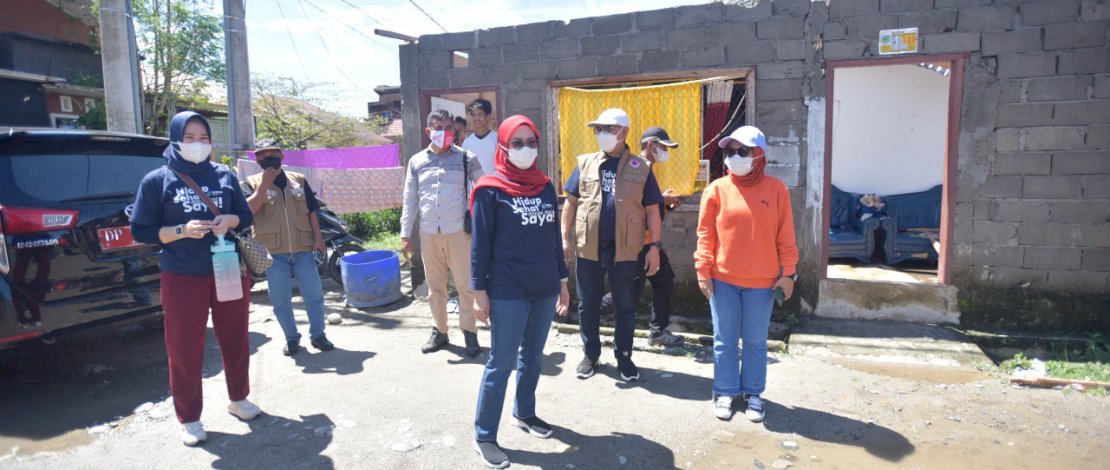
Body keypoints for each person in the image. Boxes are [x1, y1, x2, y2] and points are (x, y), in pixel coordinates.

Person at [130, 111, 260, 446]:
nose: (198, 144)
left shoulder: (224, 175)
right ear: (175, 139)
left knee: (235, 336)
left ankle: (239, 398)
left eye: (203, 138)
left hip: (228, 266)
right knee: (185, 346)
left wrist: (227, 220)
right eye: (190, 138)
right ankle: (189, 418)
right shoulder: (158, 180)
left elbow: (244, 217)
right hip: (182, 275)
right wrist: (181, 231)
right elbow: (141, 230)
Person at [469, 115, 570, 469]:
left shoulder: (544, 186)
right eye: (517, 143)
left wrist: (562, 281)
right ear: (503, 147)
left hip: (543, 286)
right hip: (507, 288)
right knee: (501, 362)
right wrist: (479, 292)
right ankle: (484, 435)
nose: (525, 149)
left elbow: (553, 240)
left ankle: (524, 413)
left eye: (531, 142)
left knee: (534, 356)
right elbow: (480, 245)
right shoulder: (489, 189)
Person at [694, 126, 798, 423]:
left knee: (755, 341)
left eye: (743, 151)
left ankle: (753, 393)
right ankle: (725, 390)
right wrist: (702, 270)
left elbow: (786, 237)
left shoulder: (776, 190)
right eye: (730, 152)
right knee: (724, 340)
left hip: (762, 284)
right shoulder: (716, 189)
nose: (735, 157)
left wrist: (788, 273)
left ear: (760, 155)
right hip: (723, 279)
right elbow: (705, 235)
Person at [561, 108, 664, 382]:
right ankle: (591, 354)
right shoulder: (585, 163)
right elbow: (570, 203)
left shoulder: (641, 168)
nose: (601, 134)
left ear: (624, 132)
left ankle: (624, 357)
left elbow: (653, 209)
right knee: (588, 304)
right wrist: (563, 238)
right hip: (588, 247)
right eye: (598, 130)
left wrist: (655, 246)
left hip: (626, 249)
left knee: (625, 304)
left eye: (607, 129)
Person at [401, 109, 485, 356]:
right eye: (439, 128)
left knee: (465, 285)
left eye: (449, 128)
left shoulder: (467, 158)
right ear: (429, 131)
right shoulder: (417, 161)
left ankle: (469, 332)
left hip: (458, 232)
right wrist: (406, 233)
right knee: (435, 287)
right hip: (428, 233)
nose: (445, 133)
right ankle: (440, 331)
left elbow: (485, 187)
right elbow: (410, 199)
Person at [242, 138, 334, 357]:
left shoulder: (299, 180)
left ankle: (318, 335)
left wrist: (319, 238)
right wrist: (264, 184)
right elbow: (249, 211)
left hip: (303, 248)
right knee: (281, 300)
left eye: (272, 154)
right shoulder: (250, 183)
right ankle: (292, 338)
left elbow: (312, 211)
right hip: (273, 253)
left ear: (282, 156)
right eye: (262, 156)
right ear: (257, 159)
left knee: (314, 295)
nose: (268, 158)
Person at [599, 127, 686, 347]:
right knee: (627, 294)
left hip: (650, 243)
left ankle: (657, 332)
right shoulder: (638, 167)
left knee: (664, 283)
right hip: (637, 245)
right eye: (663, 147)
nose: (666, 151)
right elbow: (634, 205)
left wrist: (663, 202)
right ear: (651, 146)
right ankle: (588, 311)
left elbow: (649, 207)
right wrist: (662, 200)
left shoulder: (645, 168)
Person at [462, 99, 498, 174]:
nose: (476, 118)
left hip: (493, 184)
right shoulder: (467, 142)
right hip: (475, 185)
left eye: (480, 115)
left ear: (488, 117)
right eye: (474, 115)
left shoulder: (497, 139)